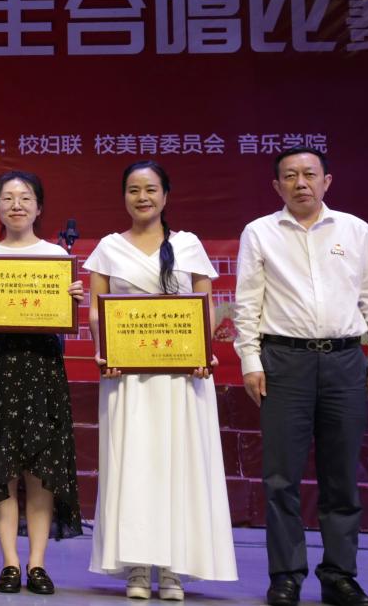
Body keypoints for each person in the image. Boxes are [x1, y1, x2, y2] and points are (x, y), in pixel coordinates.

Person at [233, 147, 368, 606]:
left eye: (309, 174)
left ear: (327, 181)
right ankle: (286, 575)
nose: (301, 183)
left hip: (344, 361)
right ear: (276, 185)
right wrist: (250, 361)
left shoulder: (355, 230)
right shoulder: (260, 232)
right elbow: (247, 304)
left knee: (341, 476)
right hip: (284, 362)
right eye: (290, 176)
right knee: (281, 478)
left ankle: (340, 575)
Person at [86, 160, 237, 600]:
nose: (143, 197)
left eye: (151, 189)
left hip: (181, 377)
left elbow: (205, 308)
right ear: (124, 197)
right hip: (127, 378)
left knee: (180, 467)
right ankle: (136, 567)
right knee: (132, 466)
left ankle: (174, 569)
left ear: (166, 195)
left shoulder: (187, 245)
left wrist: (200, 352)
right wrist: (105, 352)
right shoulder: (109, 247)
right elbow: (96, 311)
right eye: (134, 190)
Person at [0, 170, 83, 595]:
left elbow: (66, 319)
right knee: (3, 465)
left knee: (40, 468)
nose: (17, 205)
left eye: (25, 197)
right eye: (8, 198)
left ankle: (37, 563)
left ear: (38, 207)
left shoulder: (55, 256)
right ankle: (10, 563)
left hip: (41, 364)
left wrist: (72, 301)